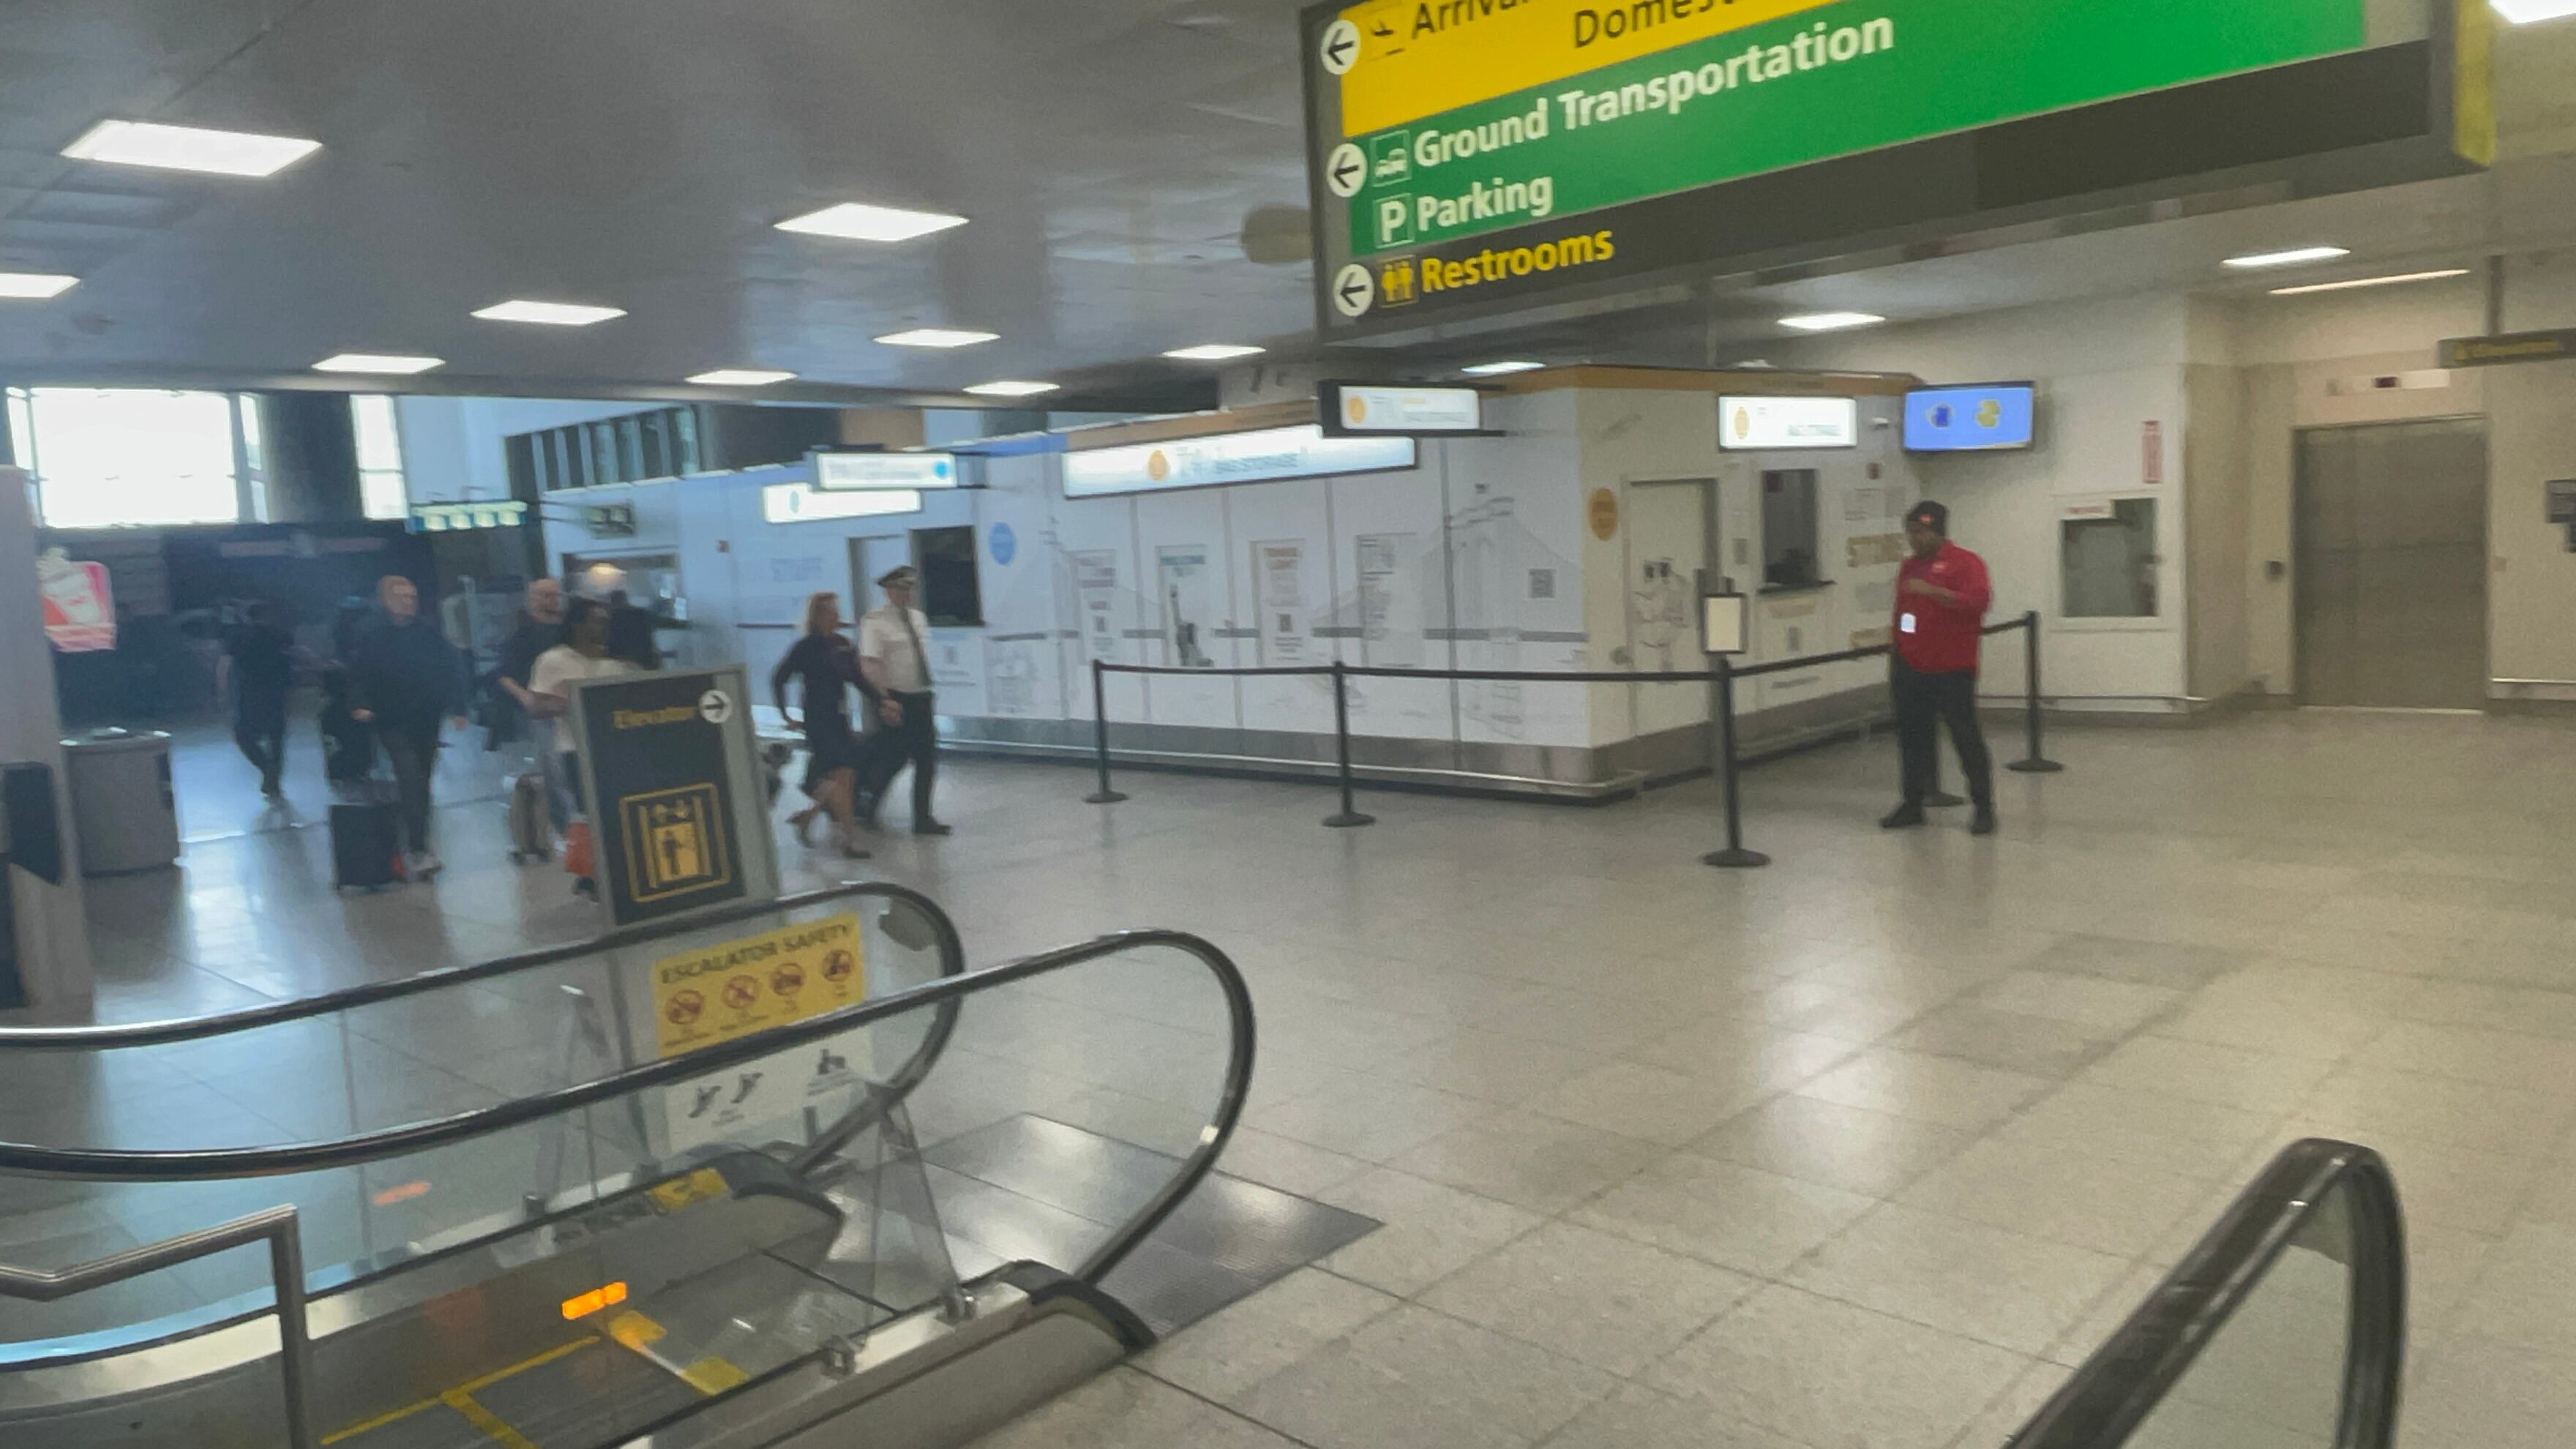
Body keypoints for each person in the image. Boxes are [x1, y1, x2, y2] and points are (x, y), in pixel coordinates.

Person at [1882, 501, 1997, 836]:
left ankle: (1984, 808)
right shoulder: (1909, 567)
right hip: (1911, 666)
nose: (1914, 539)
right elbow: (1904, 611)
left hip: (1952, 668)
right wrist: (1898, 648)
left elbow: (1979, 602)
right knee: (1913, 738)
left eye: (1921, 532)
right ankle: (1912, 803)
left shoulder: (1966, 563)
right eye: (1910, 532)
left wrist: (1935, 591)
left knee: (1965, 737)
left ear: (1938, 531)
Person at [345, 575, 468, 877]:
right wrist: (358, 703)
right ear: (386, 600)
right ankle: (416, 848)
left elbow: (450, 668)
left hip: (425, 717)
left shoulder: (427, 632)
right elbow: (357, 672)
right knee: (410, 776)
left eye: (412, 597)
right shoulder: (370, 633)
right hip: (390, 718)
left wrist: (458, 706)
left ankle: (417, 839)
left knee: (421, 781)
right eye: (401, 597)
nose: (408, 602)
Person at [770, 591, 872, 859]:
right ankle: (850, 839)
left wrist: (882, 700)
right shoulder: (806, 647)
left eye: (836, 611)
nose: (836, 615)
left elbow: (857, 678)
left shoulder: (843, 645)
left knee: (845, 776)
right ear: (818, 616)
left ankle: (809, 816)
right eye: (830, 611)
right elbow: (779, 678)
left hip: (839, 717)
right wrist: (785, 715)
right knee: (839, 776)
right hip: (817, 719)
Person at [858, 566, 948, 836]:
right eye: (899, 589)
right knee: (892, 759)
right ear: (887, 591)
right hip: (895, 698)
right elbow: (870, 664)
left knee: (926, 759)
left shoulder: (918, 618)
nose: (904, 594)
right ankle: (867, 806)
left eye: (908, 589)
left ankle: (923, 818)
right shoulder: (874, 622)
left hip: (920, 696)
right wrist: (883, 700)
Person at [496, 577, 568, 825]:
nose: (552, 600)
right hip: (544, 712)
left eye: (555, 594)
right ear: (532, 600)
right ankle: (564, 825)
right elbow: (504, 674)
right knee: (555, 770)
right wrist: (525, 697)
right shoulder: (522, 636)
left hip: (574, 709)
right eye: (545, 595)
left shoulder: (569, 631)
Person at [222, 601, 296, 798]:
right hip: (276, 691)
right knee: (276, 739)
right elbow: (289, 660)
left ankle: (267, 769)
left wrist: (224, 693)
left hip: (249, 692)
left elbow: (228, 663)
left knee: (244, 736)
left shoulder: (239, 636)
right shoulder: (280, 636)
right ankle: (274, 779)